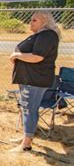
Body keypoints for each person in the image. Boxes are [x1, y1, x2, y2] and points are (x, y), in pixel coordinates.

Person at [9, 11, 61, 152]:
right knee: (28, 109)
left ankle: (26, 144)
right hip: (29, 78)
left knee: (29, 110)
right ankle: (27, 136)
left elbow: (37, 57)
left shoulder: (47, 35)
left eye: (34, 20)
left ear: (44, 22)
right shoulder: (41, 35)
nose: (30, 22)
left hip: (34, 79)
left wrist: (17, 55)